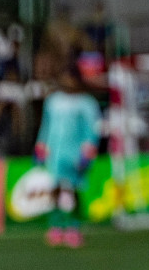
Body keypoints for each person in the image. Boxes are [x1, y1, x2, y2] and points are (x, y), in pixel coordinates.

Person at [35, 67, 101, 249]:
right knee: (55, 189)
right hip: (56, 153)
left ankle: (74, 228)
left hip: (75, 153)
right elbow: (47, 126)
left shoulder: (87, 103)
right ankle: (55, 227)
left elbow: (92, 131)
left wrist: (88, 152)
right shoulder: (53, 101)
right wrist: (41, 146)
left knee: (75, 191)